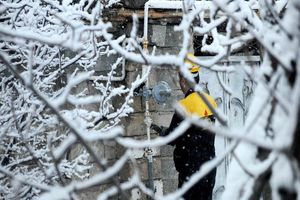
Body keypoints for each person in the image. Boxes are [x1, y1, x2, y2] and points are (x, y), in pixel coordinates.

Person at [151, 53, 217, 200]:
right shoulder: (210, 101)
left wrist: (161, 131)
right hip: (209, 168)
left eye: (180, 78)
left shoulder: (185, 106)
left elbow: (172, 137)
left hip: (192, 172)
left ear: (184, 80)